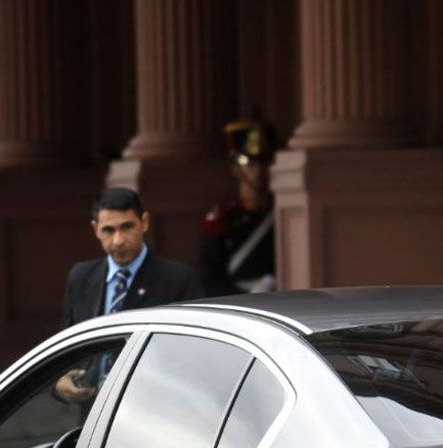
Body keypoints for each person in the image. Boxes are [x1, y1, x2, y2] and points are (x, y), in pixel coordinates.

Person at [56, 187, 202, 401]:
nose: (118, 240)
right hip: (93, 416)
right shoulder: (80, 277)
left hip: (153, 412)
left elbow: (192, 358)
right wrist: (62, 383)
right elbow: (67, 351)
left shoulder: (179, 280)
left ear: (144, 222)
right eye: (108, 230)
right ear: (95, 229)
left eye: (127, 227)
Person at [200, 118, 278, 296]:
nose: (259, 171)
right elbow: (211, 279)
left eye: (264, 163)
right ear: (236, 168)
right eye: (250, 164)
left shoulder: (282, 218)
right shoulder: (220, 220)